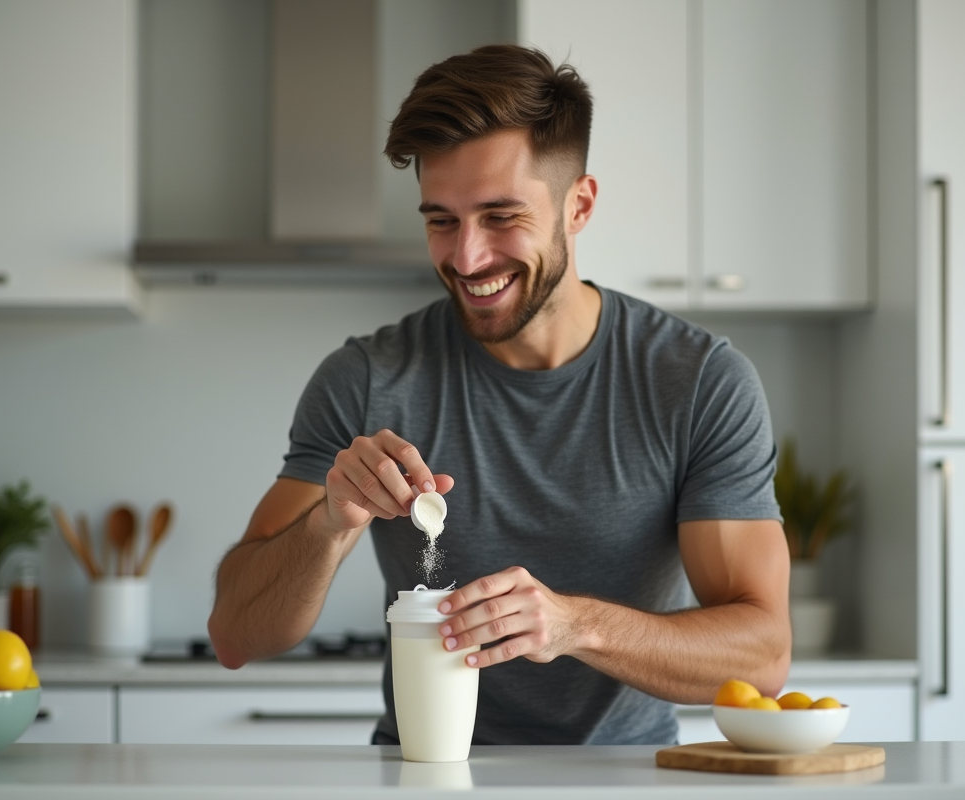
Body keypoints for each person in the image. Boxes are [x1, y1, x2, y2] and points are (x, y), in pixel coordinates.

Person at [208, 44, 791, 745]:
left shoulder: (698, 382)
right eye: (441, 220)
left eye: (500, 216)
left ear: (579, 206)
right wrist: (330, 522)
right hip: (422, 778)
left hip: (623, 780)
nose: (466, 258)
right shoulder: (367, 379)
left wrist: (577, 626)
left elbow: (762, 659)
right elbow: (235, 635)